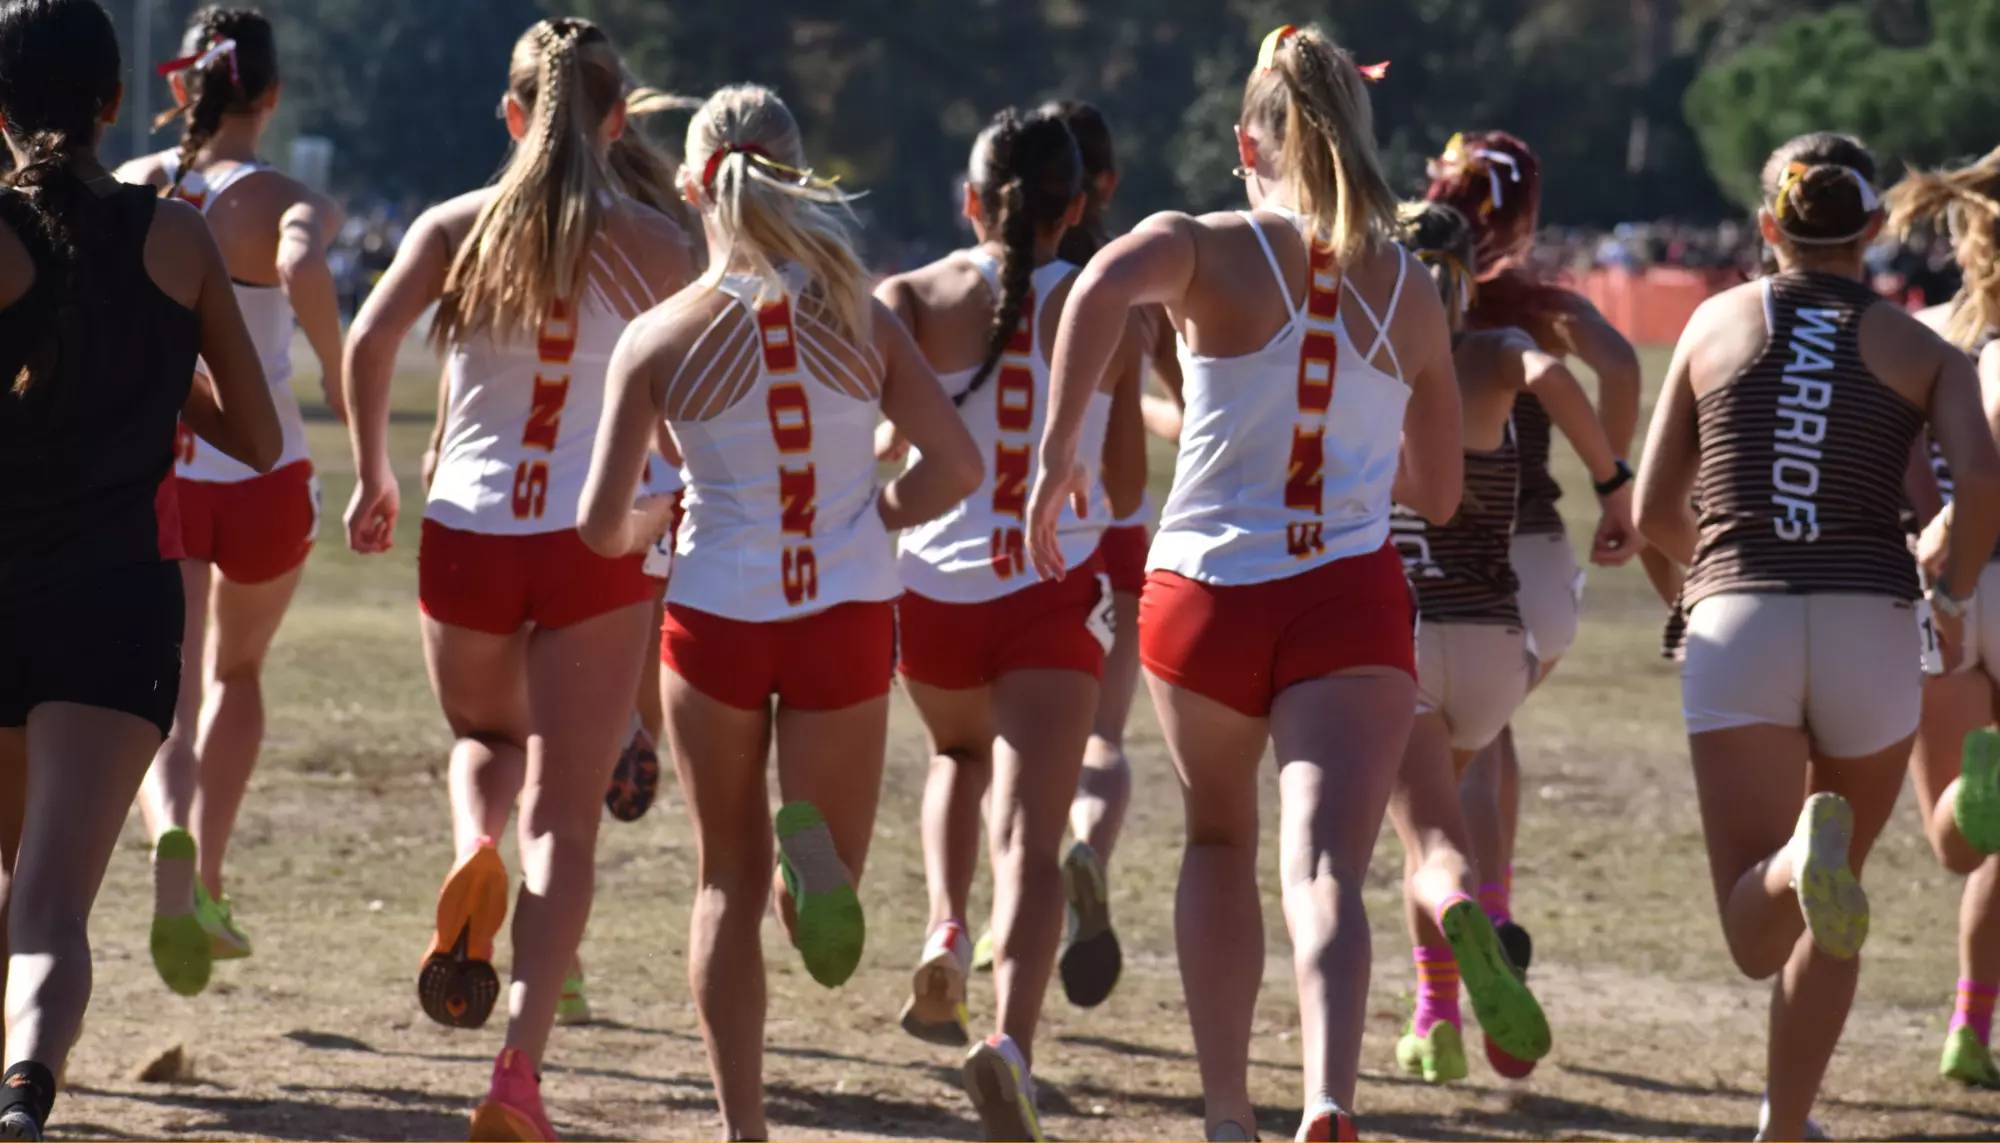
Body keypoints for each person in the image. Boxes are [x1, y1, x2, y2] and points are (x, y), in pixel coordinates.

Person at [1030, 25, 1467, 1141]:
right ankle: (1326, 1094)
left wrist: (1058, 458)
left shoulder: (1205, 243)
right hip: (1347, 599)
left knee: (1217, 843)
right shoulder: (1410, 289)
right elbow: (1443, 491)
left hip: (1205, 594)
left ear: (1245, 142)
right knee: (1324, 863)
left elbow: (1094, 289)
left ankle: (1228, 1114)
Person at [577, 83, 979, 1143]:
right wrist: (875, 512)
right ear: (796, 177)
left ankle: (744, 1129)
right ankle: (820, 875)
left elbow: (595, 523)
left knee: (722, 886)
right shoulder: (864, 315)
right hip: (843, 611)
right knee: (818, 896)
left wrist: (649, 524)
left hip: (714, 615)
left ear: (690, 188)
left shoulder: (660, 335)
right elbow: (957, 464)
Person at [341, 18, 694, 1140]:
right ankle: (516, 1076)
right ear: (615, 121)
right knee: (571, 815)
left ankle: (472, 854)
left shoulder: (453, 226)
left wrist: (373, 477)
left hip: (468, 528)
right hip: (596, 538)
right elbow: (707, 379)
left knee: (487, 742)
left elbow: (364, 342)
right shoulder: (656, 243)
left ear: (510, 116)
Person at [1634, 131, 2000, 1143]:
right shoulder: (1923, 350)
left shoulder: (1710, 325)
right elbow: (1977, 480)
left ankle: (1800, 857)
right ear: (1873, 230)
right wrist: (1956, 585)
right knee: (1839, 904)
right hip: (1870, 625)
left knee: (1758, 930)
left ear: (1765, 228)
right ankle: (1784, 1126)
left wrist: (1700, 580)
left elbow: (1655, 507)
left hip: (1738, 616)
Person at [0, 0, 282, 1135]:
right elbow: (260, 440)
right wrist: (161, 368)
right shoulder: (178, 236)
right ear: (117, 102)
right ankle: (27, 1084)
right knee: (52, 907)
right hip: (115, 608)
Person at [874, 105, 1142, 1138]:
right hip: (1046, 592)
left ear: (969, 202)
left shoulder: (909, 295)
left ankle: (943, 927)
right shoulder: (1109, 303)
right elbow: (1118, 487)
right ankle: (1010, 1045)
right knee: (1033, 840)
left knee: (953, 759)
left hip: (932, 589)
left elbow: (874, 450)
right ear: (1073, 208)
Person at [113, 4, 344, 998]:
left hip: (157, 467)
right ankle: (206, 877)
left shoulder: (132, 185)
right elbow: (298, 263)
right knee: (236, 675)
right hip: (262, 470)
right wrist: (339, 373)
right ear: (273, 94)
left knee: (168, 687)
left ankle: (168, 832)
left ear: (182, 88)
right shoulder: (286, 193)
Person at [1391, 201, 1622, 1085]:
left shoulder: (1360, 361)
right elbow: (1560, 378)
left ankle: (1437, 1018)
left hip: (1401, 639)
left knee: (1424, 847)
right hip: (1496, 638)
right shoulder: (1490, 356)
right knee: (1469, 786)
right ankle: (1491, 910)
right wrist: (1613, 479)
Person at [1424, 131, 1645, 978]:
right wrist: (1612, 480)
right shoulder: (1533, 303)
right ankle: (1496, 910)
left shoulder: (1402, 285)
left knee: (1440, 781)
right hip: (1538, 554)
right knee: (1487, 729)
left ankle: (1441, 992)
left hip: (1435, 558)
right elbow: (1619, 364)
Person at [1885, 145, 2000, 1088]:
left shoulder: (1923, 337)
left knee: (1960, 838)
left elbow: (1900, 468)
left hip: (1947, 592)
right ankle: (1972, 1020)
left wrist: (1938, 557)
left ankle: (1970, 1028)